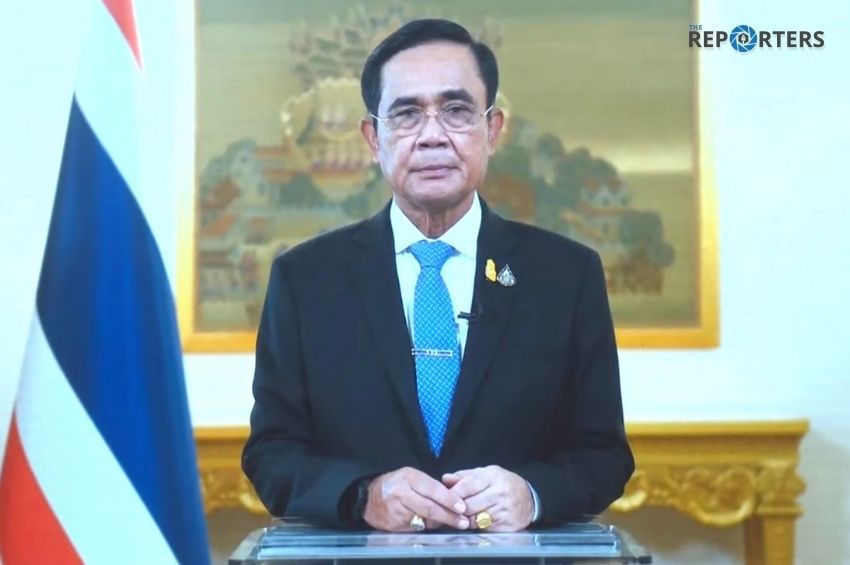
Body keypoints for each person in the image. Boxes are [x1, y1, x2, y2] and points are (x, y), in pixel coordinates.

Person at [242, 18, 633, 533]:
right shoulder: (306, 280)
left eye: (456, 111)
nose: (432, 136)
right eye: (406, 114)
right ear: (372, 138)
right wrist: (364, 496)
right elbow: (272, 455)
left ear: (492, 130)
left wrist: (532, 494)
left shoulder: (566, 275)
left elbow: (604, 455)